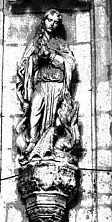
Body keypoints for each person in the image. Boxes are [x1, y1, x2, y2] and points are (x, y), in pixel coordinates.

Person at [16, 9, 77, 162]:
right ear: (44, 21)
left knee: (53, 116)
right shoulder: (35, 43)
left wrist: (51, 55)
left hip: (56, 85)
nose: (52, 24)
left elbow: (70, 64)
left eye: (56, 22)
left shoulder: (61, 44)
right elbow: (24, 66)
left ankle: (48, 146)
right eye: (49, 20)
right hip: (40, 84)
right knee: (35, 109)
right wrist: (37, 58)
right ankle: (33, 143)